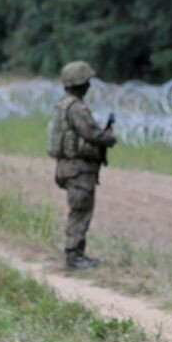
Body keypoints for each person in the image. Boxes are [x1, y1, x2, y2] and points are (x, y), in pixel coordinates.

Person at [47, 61, 117, 270]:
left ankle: (75, 254)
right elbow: (92, 134)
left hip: (66, 167)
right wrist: (109, 138)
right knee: (80, 211)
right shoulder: (77, 108)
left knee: (78, 209)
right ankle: (74, 257)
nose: (89, 85)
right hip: (78, 168)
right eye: (87, 81)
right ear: (81, 84)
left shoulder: (63, 105)